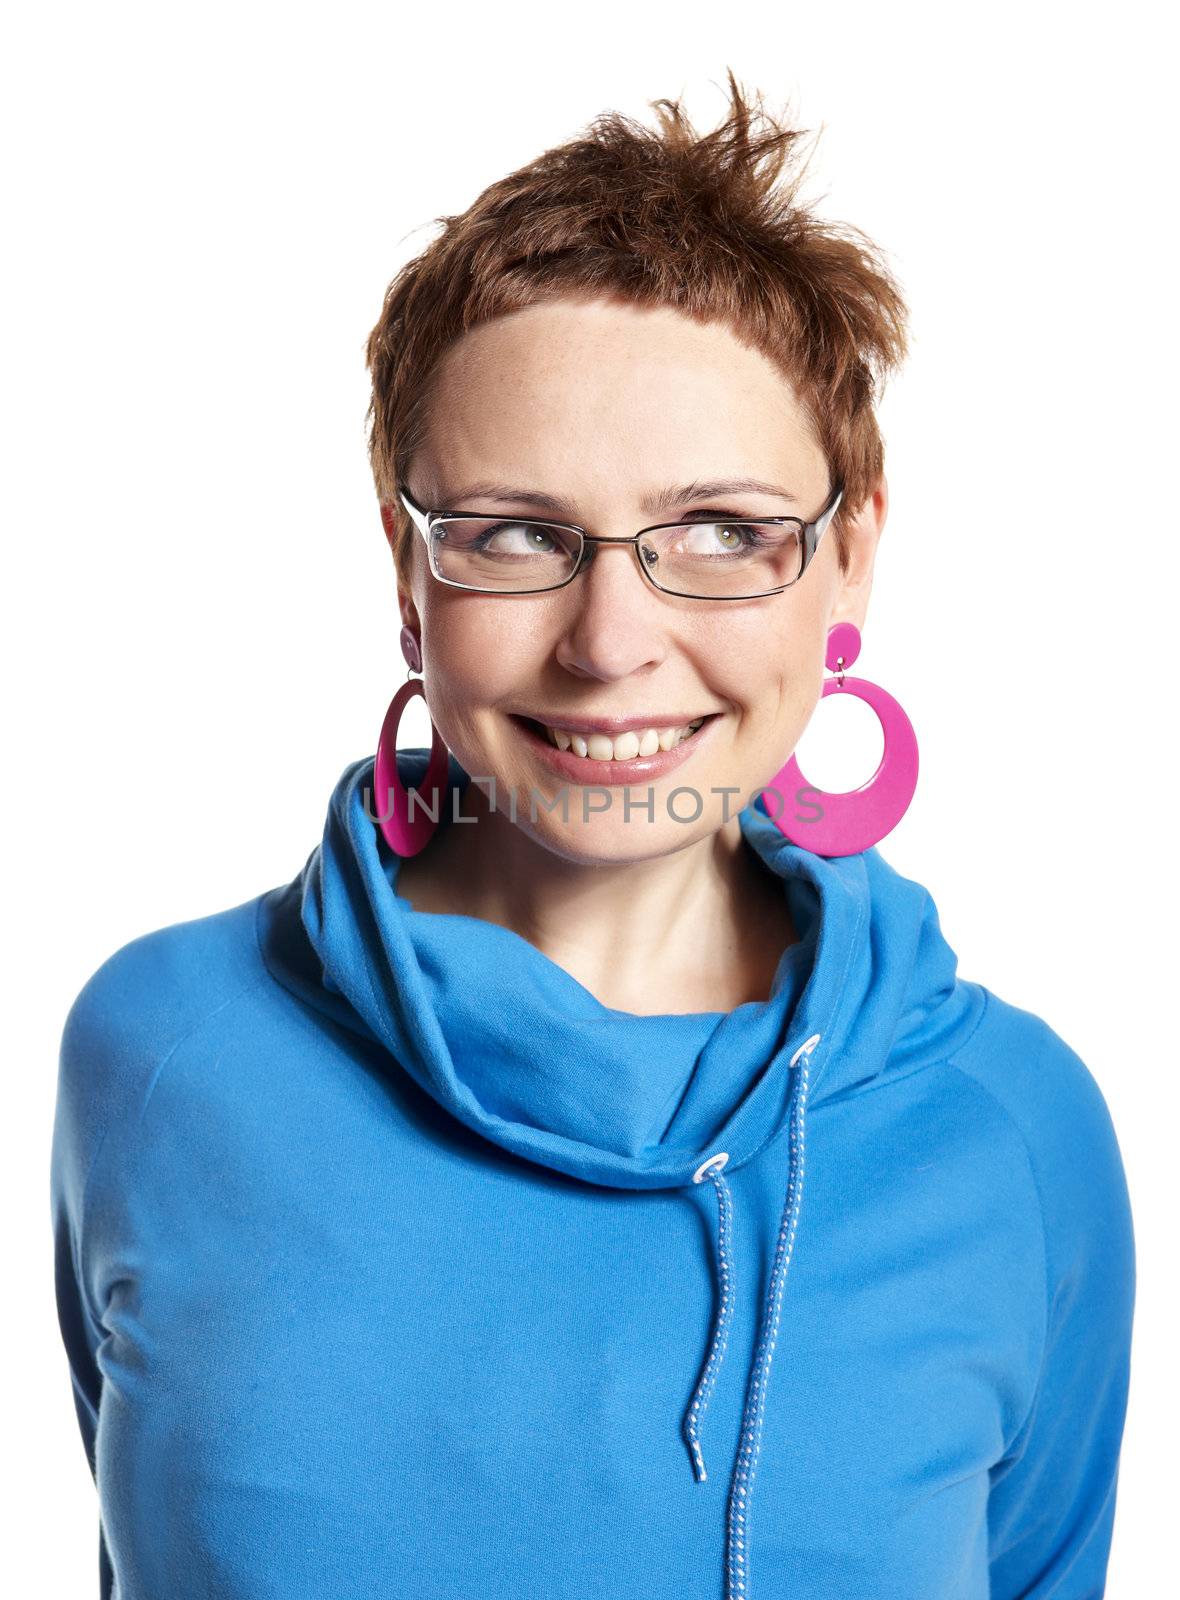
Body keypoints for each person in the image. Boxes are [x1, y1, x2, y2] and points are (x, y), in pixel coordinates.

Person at [50, 73, 1136, 1600]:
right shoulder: (164, 1052)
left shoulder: (1011, 1135)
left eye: (719, 531)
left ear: (852, 559)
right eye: (514, 533)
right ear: (407, 572)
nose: (613, 639)